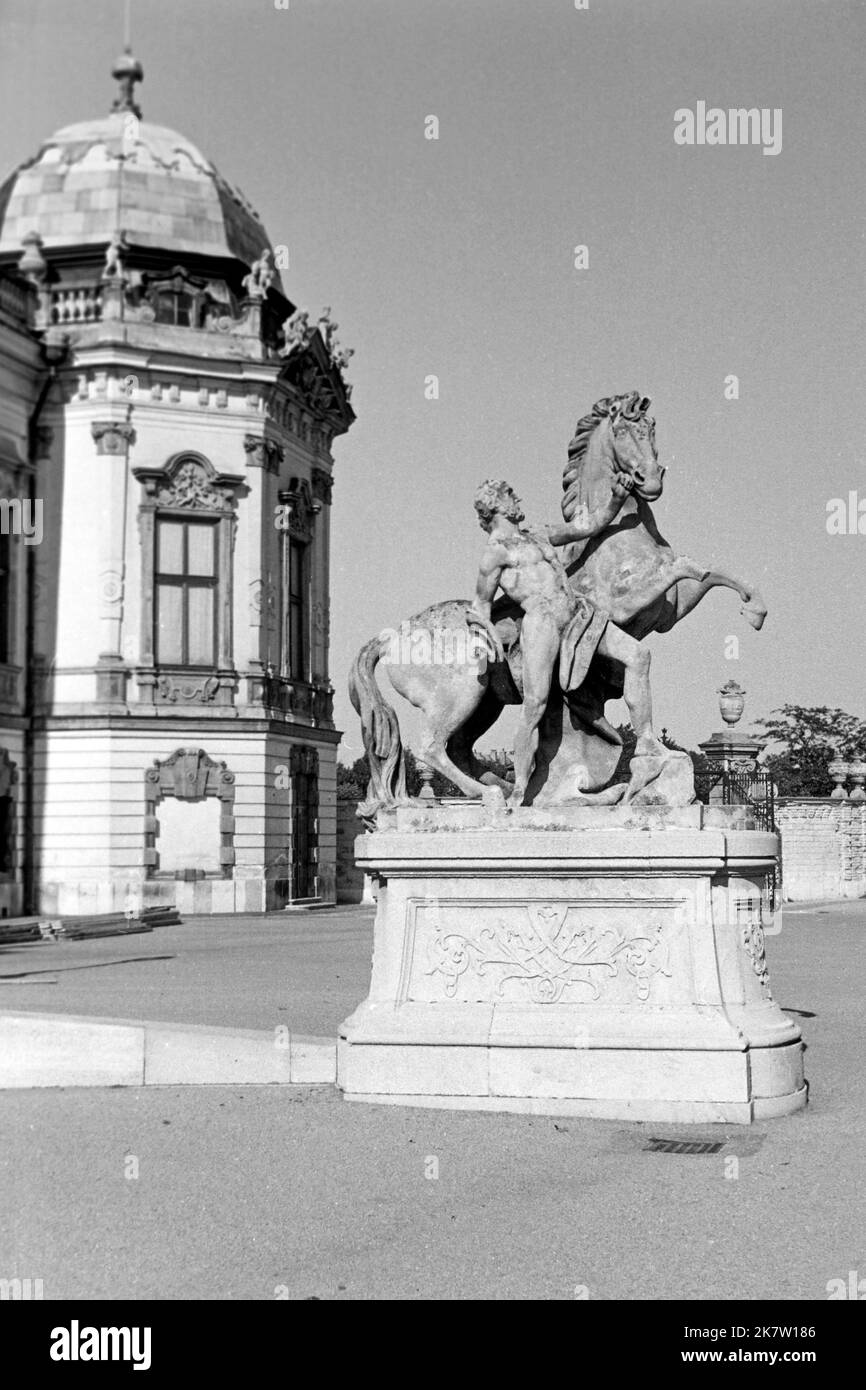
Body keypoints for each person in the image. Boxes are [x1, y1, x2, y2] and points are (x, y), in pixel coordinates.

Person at [472, 479, 661, 804]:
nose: (517, 497)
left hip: (578, 614)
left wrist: (616, 498)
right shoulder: (495, 553)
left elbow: (587, 525)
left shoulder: (538, 534)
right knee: (535, 707)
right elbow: (481, 605)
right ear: (494, 506)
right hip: (541, 624)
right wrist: (482, 645)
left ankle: (647, 745)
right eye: (509, 494)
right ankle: (520, 789)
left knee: (638, 655)